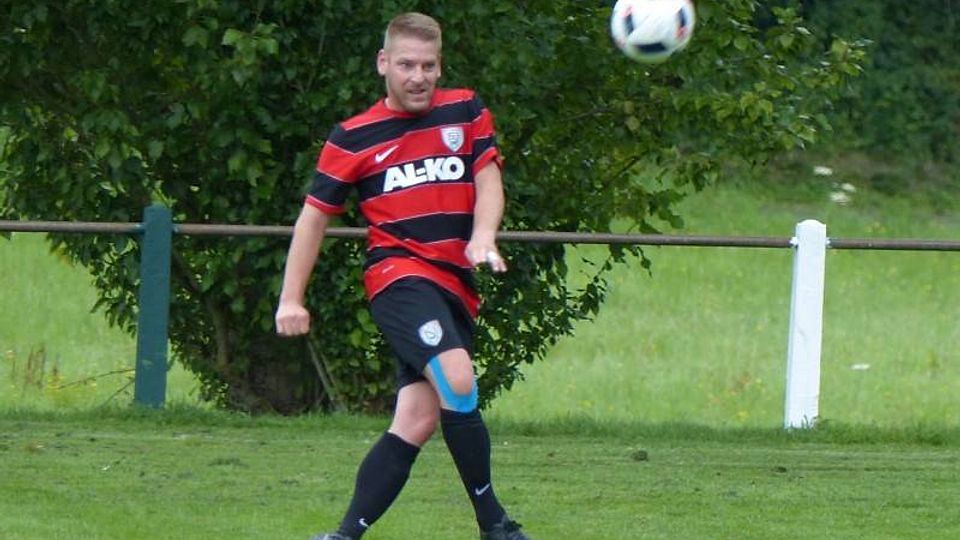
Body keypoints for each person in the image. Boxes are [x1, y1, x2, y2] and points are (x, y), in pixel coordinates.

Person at [275, 12, 530, 540]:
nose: (419, 77)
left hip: (455, 286)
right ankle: (496, 525)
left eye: (428, 66)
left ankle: (343, 536)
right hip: (399, 278)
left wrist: (483, 237)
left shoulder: (465, 109)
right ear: (383, 64)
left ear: (440, 66)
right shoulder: (353, 137)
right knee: (458, 378)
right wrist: (290, 299)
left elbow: (488, 180)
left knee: (416, 418)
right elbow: (313, 218)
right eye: (407, 65)